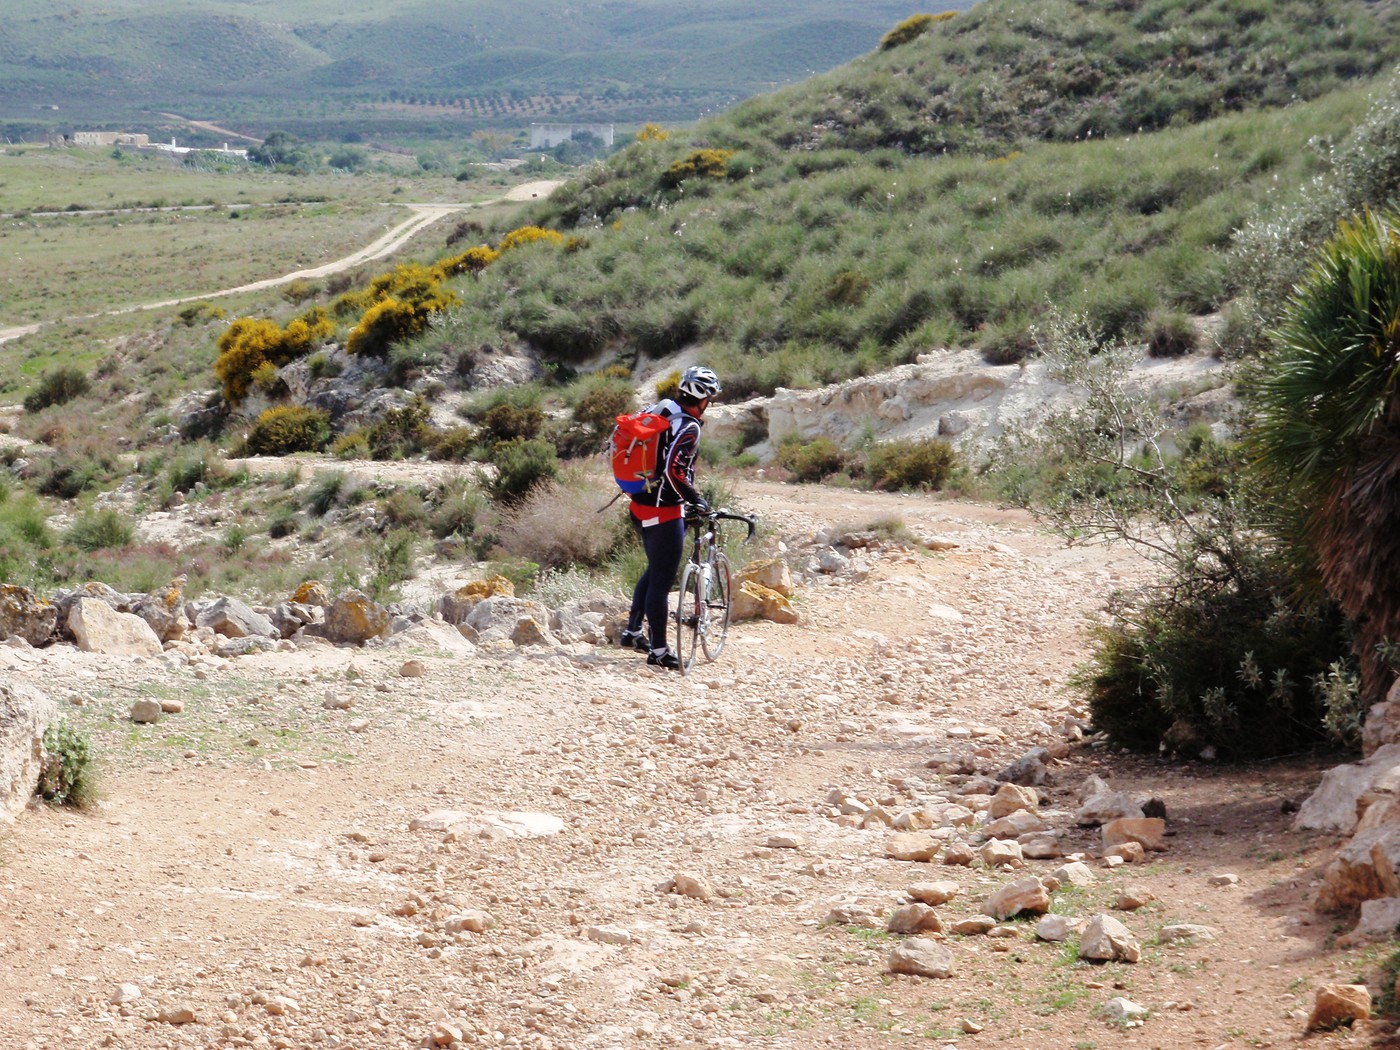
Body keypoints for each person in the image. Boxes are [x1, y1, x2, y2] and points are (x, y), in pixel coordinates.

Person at [620, 365, 722, 670]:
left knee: (655, 569)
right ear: (703, 398)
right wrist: (697, 499)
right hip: (662, 510)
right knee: (662, 582)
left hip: (639, 504)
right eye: (711, 398)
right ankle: (660, 650)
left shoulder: (663, 408)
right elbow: (674, 471)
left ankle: (633, 631)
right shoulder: (689, 426)